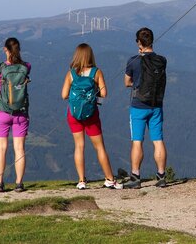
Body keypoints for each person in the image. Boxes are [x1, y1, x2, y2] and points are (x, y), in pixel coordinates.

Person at [61, 43, 123, 190]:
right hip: (91, 115)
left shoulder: (71, 74)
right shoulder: (96, 72)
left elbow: (63, 95)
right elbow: (104, 94)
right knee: (99, 147)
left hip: (74, 114)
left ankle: (81, 181)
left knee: (79, 146)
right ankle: (109, 179)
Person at [123, 27, 168, 188]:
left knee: (137, 141)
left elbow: (127, 82)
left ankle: (135, 177)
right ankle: (161, 175)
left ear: (139, 42)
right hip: (156, 104)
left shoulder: (133, 61)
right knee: (158, 140)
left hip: (138, 106)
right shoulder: (162, 60)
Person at [0, 37, 31, 193]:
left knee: (1, 149)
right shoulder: (26, 66)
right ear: (19, 49)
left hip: (2, 112)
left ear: (5, 49)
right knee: (19, 149)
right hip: (21, 113)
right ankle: (19, 184)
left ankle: (0, 183)